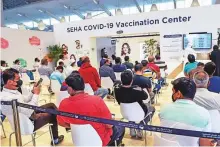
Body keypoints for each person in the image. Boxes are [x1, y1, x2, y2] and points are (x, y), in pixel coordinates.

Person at [57, 72, 125, 146]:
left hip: (78, 141)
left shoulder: (63, 103)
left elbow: (61, 122)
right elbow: (109, 125)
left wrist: (76, 125)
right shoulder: (97, 100)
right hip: (100, 139)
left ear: (70, 88)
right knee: (120, 127)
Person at [0, 68, 64, 145]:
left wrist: (32, 92)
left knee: (51, 105)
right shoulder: (12, 98)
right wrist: (36, 95)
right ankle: (56, 139)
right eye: (18, 79)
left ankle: (64, 121)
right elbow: (29, 110)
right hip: (27, 124)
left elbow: (25, 100)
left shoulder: (7, 92)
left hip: (24, 117)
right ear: (10, 82)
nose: (20, 81)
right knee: (53, 115)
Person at [159, 77, 213, 146]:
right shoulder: (204, 113)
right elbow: (205, 144)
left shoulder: (164, 109)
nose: (172, 94)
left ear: (178, 93)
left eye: (173, 92)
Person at [114, 70, 155, 138]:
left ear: (121, 80)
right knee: (152, 108)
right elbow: (146, 97)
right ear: (132, 80)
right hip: (140, 113)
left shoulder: (117, 90)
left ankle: (132, 126)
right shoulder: (136, 90)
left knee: (131, 110)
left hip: (125, 113)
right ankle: (140, 126)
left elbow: (119, 102)